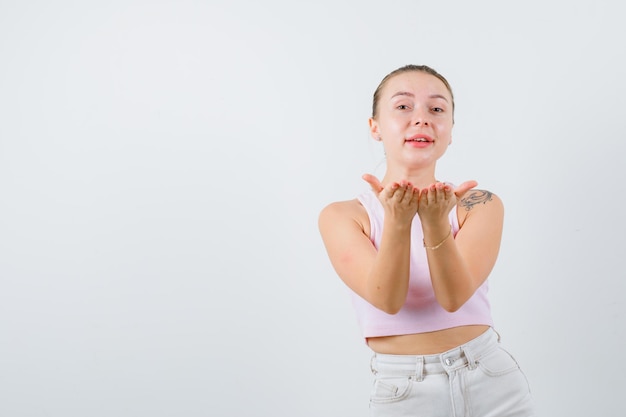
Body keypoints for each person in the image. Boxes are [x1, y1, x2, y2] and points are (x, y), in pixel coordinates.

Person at [318, 64, 534, 416]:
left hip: (492, 380)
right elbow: (387, 300)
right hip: (405, 391)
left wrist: (435, 225)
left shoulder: (478, 205)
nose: (422, 119)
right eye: (403, 107)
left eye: (437, 109)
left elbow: (453, 297)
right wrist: (398, 223)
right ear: (375, 127)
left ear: (450, 132)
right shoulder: (343, 216)